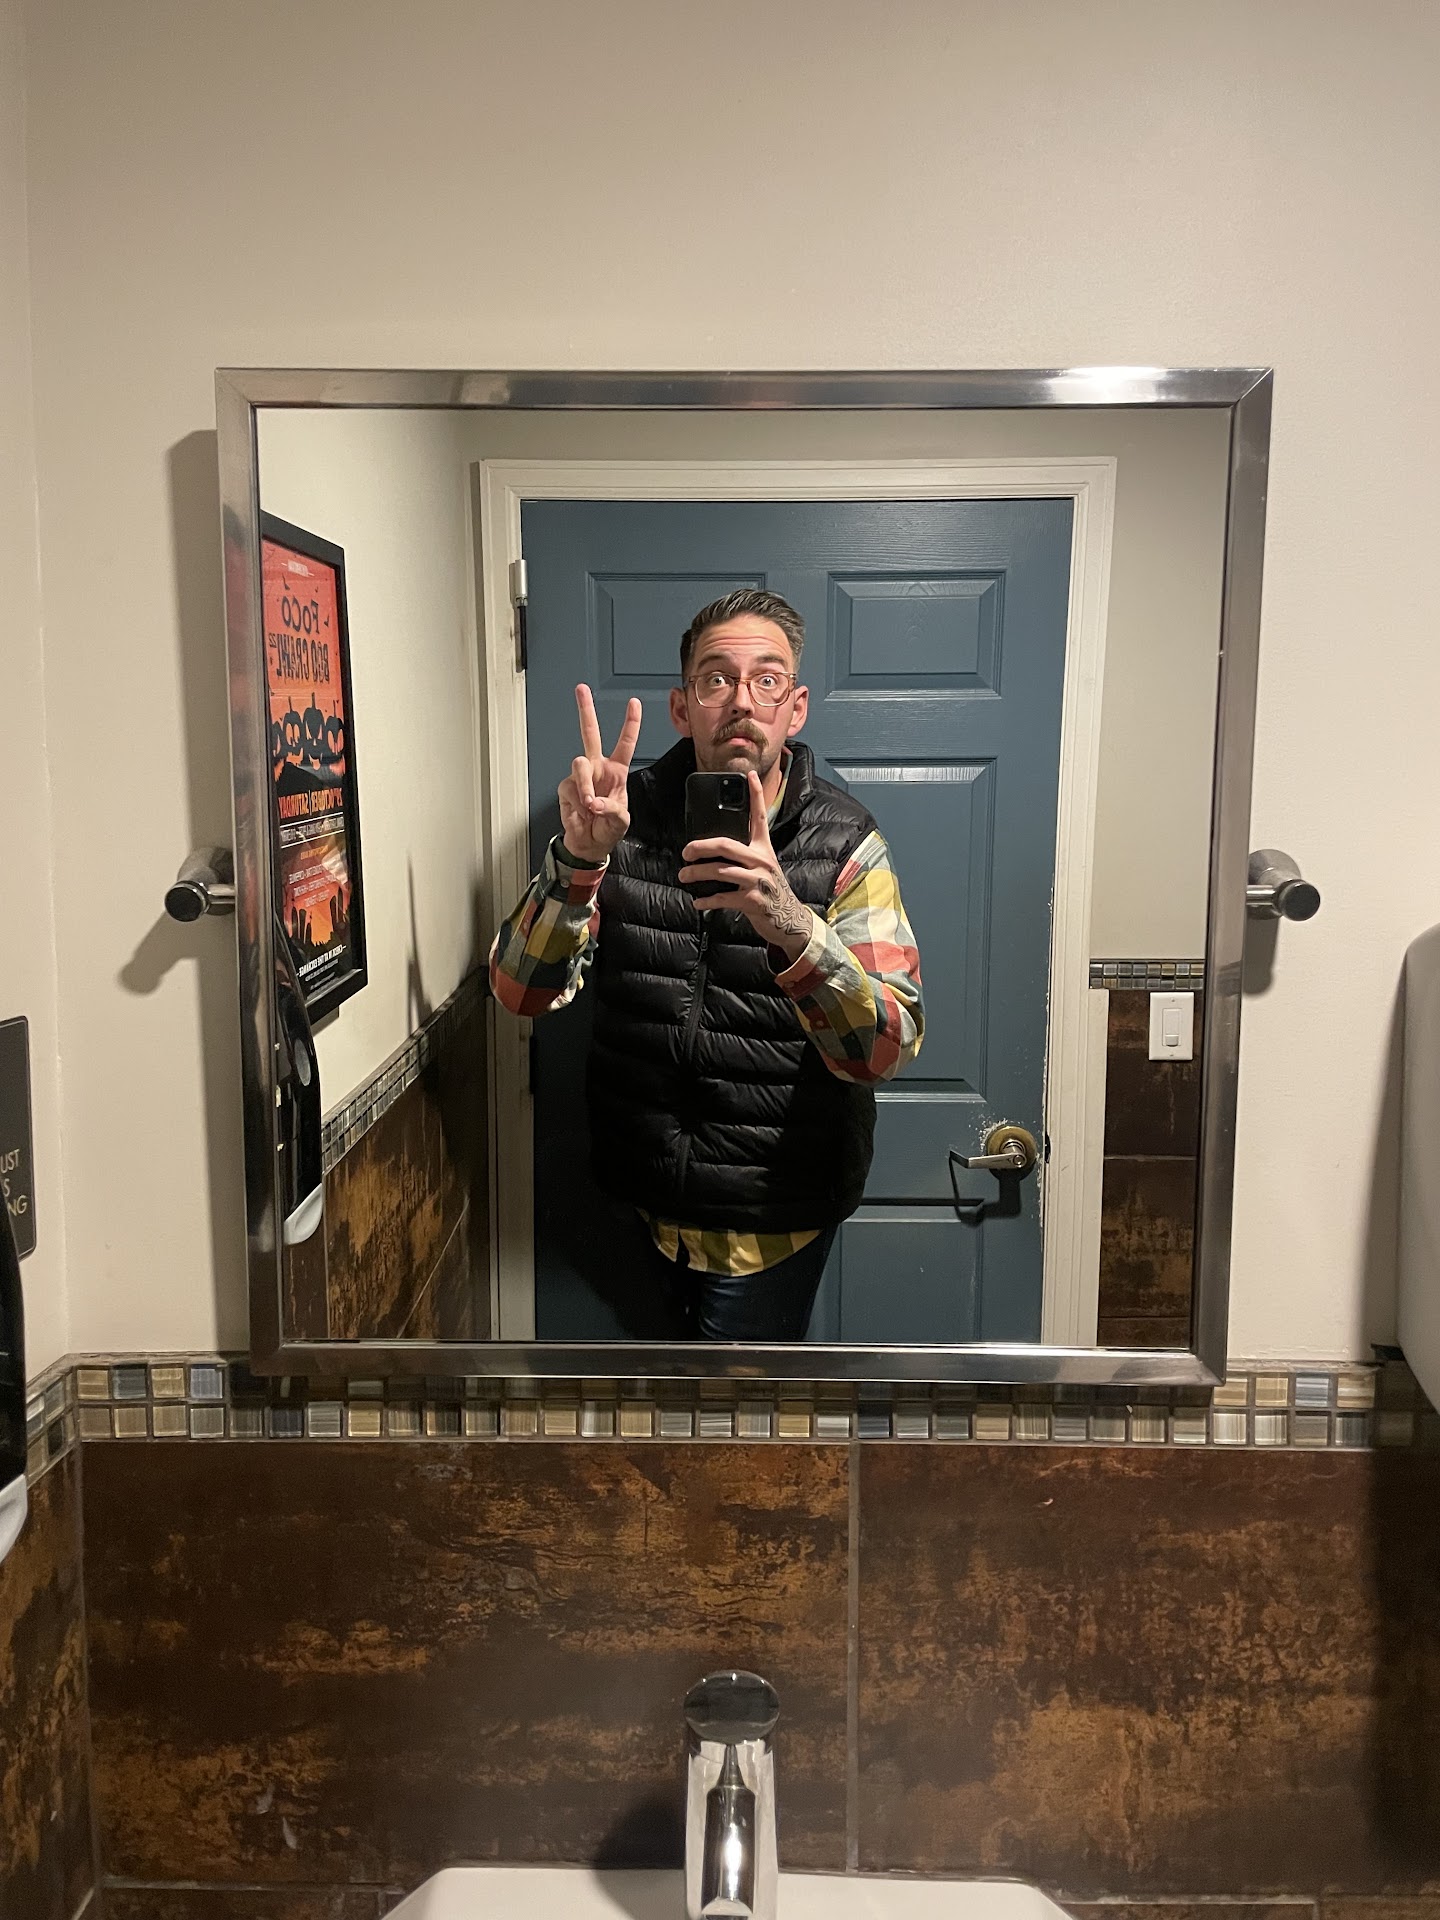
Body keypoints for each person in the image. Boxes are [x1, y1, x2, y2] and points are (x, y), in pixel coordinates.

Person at [489, 588, 924, 1342]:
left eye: (767, 680)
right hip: (640, 1204)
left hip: (776, 1220)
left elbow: (885, 1047)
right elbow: (519, 992)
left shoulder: (847, 841)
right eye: (717, 678)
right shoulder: (618, 819)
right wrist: (580, 861)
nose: (742, 701)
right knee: (649, 1405)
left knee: (744, 1413)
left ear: (796, 708)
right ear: (682, 708)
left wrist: (790, 922)